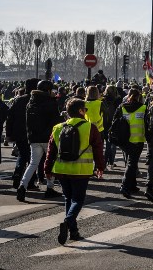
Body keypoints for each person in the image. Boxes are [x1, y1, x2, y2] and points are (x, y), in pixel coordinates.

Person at [43, 98, 105, 244]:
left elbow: (50, 151)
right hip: (81, 170)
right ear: (80, 111)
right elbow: (98, 149)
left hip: (62, 169)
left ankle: (74, 231)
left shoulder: (58, 127)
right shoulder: (90, 127)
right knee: (78, 199)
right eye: (85, 109)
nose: (86, 112)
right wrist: (100, 167)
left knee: (68, 199)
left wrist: (47, 168)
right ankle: (68, 220)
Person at [18, 80, 63, 201]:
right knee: (50, 162)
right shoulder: (50, 103)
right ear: (48, 90)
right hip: (48, 137)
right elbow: (56, 121)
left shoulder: (31, 102)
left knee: (33, 163)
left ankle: (22, 185)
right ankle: (49, 188)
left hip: (33, 137)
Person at [6, 78, 38, 190]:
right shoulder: (37, 99)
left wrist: (9, 133)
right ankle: (30, 182)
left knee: (22, 156)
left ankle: (17, 175)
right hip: (33, 133)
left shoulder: (18, 100)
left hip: (19, 132)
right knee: (33, 159)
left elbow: (10, 117)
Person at [117, 88, 146, 198]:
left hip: (124, 140)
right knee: (132, 163)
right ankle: (125, 186)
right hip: (138, 139)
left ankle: (132, 185)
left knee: (131, 161)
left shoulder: (122, 107)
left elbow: (115, 121)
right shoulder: (143, 108)